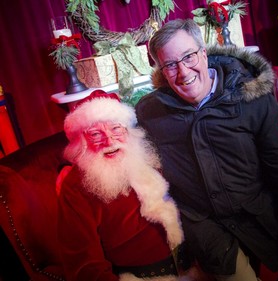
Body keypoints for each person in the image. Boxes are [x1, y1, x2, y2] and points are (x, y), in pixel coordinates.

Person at [135, 18, 278, 281]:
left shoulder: (251, 97)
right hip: (209, 229)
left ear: (204, 53)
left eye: (189, 57)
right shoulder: (150, 112)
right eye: (170, 65)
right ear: (161, 70)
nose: (183, 72)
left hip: (263, 214)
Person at [57, 90, 184, 281]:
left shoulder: (149, 157)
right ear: (81, 143)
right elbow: (84, 265)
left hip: (193, 263)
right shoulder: (75, 187)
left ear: (128, 130)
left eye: (116, 128)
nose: (109, 140)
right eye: (95, 134)